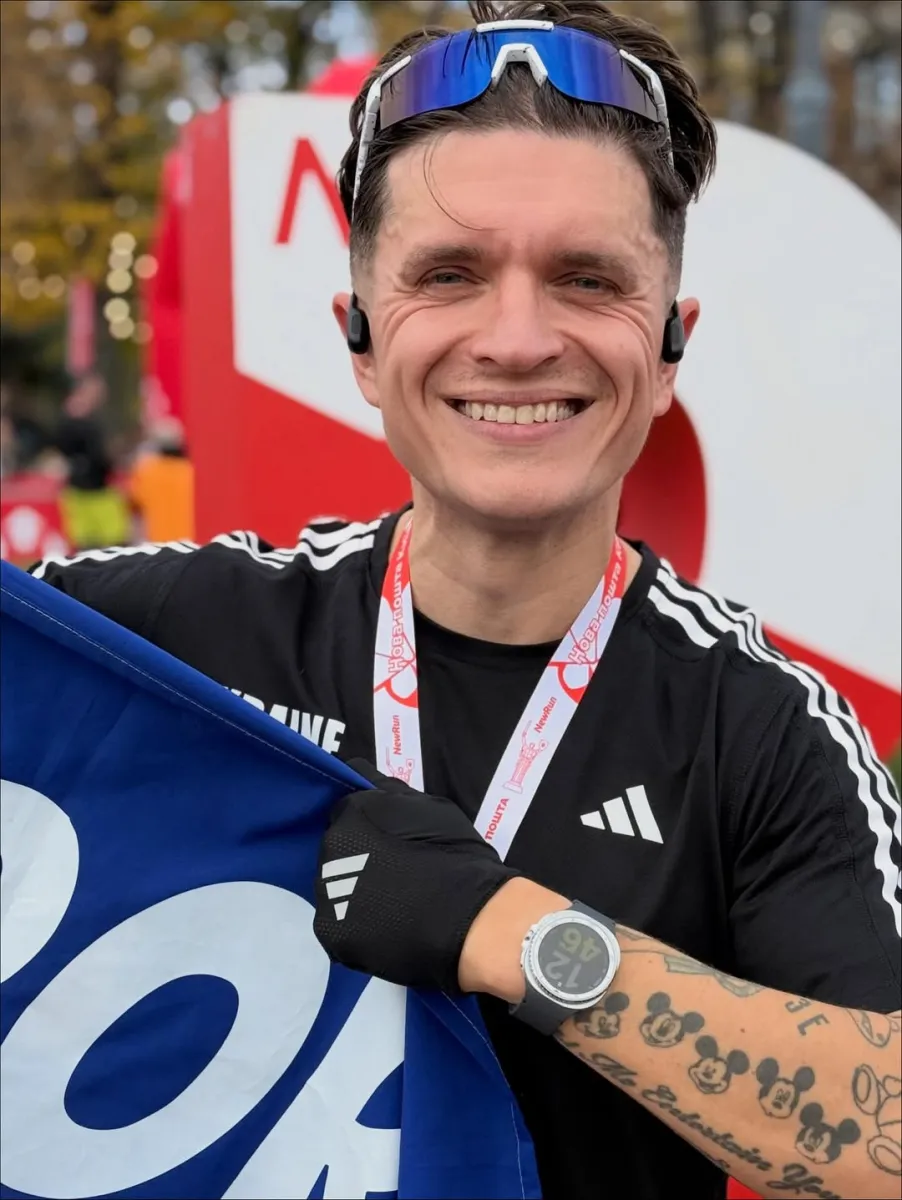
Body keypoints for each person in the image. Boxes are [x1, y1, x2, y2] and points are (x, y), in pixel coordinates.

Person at [29, 4, 900, 1198]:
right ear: (359, 338)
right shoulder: (163, 640)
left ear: (669, 347)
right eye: (448, 276)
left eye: (587, 280)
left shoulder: (758, 729)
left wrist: (515, 936)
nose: (517, 339)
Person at [53, 372, 130, 550]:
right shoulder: (75, 419)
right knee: (93, 543)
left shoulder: (92, 418)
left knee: (109, 540)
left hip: (94, 486)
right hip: (86, 489)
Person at [126, 417, 195, 544]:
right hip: (189, 541)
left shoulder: (144, 470)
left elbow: (132, 501)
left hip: (156, 543)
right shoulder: (190, 470)